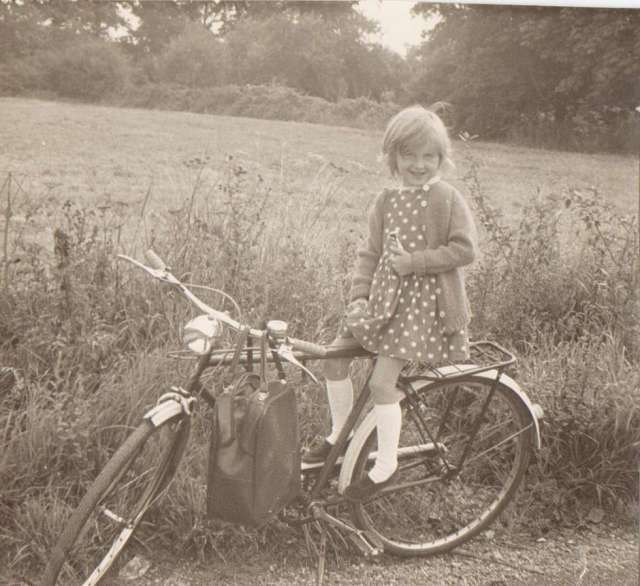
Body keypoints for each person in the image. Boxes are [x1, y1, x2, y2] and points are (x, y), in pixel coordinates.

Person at [303, 104, 478, 501]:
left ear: (441, 158)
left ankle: (385, 466)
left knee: (383, 383)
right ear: (393, 156)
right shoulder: (386, 201)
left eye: (428, 156)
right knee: (333, 358)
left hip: (420, 308)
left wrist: (413, 263)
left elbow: (464, 250)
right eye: (409, 154)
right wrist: (358, 297)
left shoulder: (445, 198)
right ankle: (339, 435)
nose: (418, 164)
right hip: (381, 303)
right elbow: (370, 253)